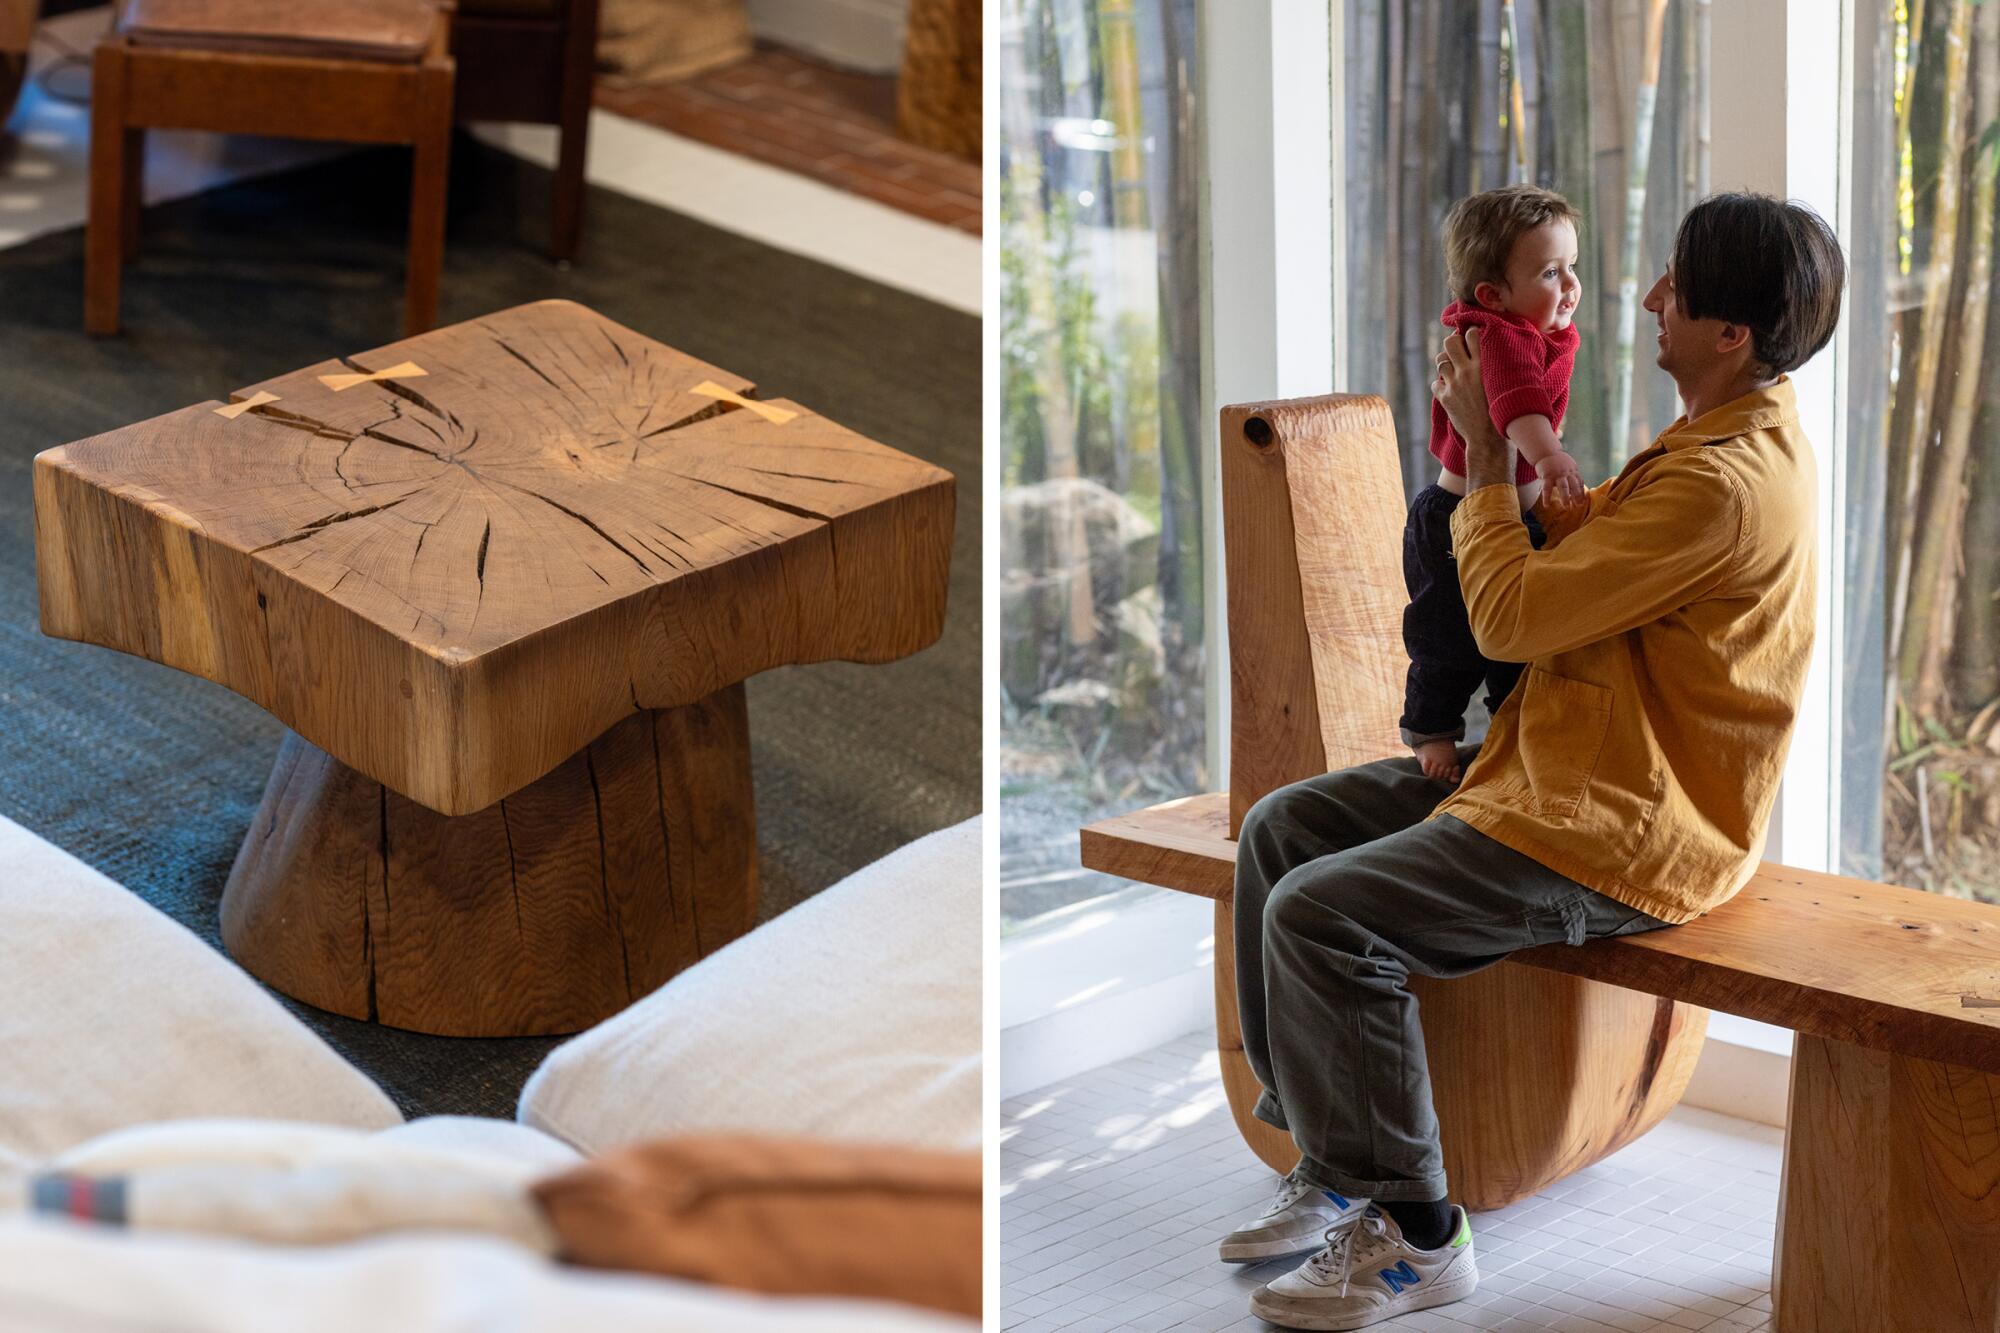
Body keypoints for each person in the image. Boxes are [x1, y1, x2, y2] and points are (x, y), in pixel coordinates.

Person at [1221, 192, 1845, 1331]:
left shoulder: (1721, 479)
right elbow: (1580, 556)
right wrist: (1502, 451)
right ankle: (1334, 1162)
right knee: (1282, 830)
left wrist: (1487, 480)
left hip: (1620, 824)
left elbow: (1506, 618)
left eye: (1672, 284)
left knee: (1320, 914)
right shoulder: (1714, 436)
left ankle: (1415, 1236)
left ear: (1729, 335)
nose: (1645, 296)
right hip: (1550, 765)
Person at [1403, 185, 1587, 786]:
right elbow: (1514, 407)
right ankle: (1431, 728)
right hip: (1459, 518)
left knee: (1516, 647)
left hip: (1512, 517)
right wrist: (1551, 455)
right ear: (1493, 295)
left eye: (1572, 268)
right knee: (1448, 638)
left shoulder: (1535, 329)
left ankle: (1508, 730)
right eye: (1551, 273)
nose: (1570, 286)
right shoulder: (1498, 335)